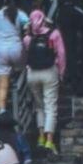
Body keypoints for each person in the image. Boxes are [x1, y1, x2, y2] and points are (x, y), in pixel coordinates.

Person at [23, 9, 67, 153]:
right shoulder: (54, 34)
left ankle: (41, 137)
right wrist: (61, 72)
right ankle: (49, 140)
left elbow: (25, 55)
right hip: (49, 72)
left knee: (39, 107)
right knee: (50, 107)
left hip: (32, 74)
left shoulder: (28, 38)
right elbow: (61, 54)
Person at [0, 0, 30, 115]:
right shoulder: (20, 14)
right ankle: (21, 88)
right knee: (24, 69)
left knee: (2, 85)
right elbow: (28, 27)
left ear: (4, 1)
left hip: (0, 50)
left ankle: (2, 111)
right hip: (16, 49)